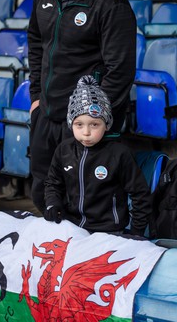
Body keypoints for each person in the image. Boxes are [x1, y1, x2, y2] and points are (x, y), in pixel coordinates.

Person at [29, 0, 136, 213]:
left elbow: (120, 71)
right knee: (43, 192)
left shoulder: (111, 4)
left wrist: (90, 120)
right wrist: (36, 97)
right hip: (47, 115)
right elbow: (35, 42)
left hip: (83, 126)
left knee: (83, 203)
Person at [44, 75, 152, 236]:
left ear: (106, 124)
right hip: (72, 228)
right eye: (79, 124)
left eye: (94, 124)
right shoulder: (64, 150)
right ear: (70, 123)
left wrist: (136, 232)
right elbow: (53, 183)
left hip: (110, 232)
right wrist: (53, 204)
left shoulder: (119, 154)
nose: (86, 132)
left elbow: (140, 194)